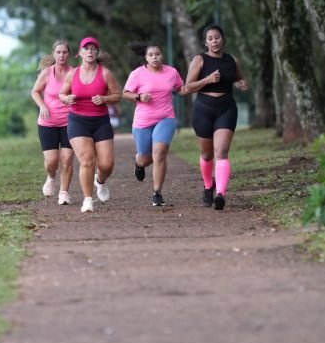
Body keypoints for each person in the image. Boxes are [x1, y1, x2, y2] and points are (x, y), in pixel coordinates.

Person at [183, 24, 250, 210]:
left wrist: (240, 84)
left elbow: (237, 79)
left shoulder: (232, 60)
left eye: (217, 37)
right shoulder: (199, 60)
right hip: (203, 109)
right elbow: (187, 87)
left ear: (223, 39)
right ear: (205, 42)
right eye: (210, 38)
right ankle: (207, 186)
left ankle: (220, 193)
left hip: (226, 108)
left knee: (221, 152)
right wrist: (207, 80)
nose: (214, 41)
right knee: (207, 154)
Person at [60, 36, 122, 213]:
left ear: (97, 53)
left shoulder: (105, 73)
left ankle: (100, 181)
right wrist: (67, 98)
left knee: (106, 165)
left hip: (101, 121)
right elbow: (62, 94)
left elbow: (117, 95)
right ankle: (87, 200)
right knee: (87, 160)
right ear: (80, 53)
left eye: (93, 49)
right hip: (78, 120)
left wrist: (104, 98)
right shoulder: (73, 74)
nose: (90, 51)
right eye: (86, 49)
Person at [123, 42, 185, 206]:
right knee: (145, 157)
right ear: (145, 57)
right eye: (151, 55)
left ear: (162, 55)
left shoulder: (172, 72)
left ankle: (157, 193)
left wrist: (199, 85)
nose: (154, 57)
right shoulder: (137, 74)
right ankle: (139, 163)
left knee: (159, 154)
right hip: (143, 121)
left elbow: (180, 88)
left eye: (157, 54)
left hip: (166, 117)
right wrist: (139, 96)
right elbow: (126, 94)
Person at [30, 40, 75, 205]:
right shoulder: (47, 73)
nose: (61, 55)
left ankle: (64, 193)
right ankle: (51, 177)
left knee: (67, 158)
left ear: (68, 54)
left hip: (70, 122)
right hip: (47, 122)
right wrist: (42, 105)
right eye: (58, 52)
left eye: (64, 52)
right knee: (52, 161)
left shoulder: (75, 73)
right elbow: (35, 91)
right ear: (53, 54)